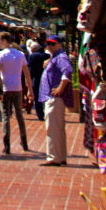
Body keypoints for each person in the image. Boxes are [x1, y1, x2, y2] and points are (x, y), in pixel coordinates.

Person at [0, 31, 33, 154]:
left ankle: (7, 145)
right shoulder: (20, 54)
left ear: (5, 41)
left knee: (5, 116)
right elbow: (27, 73)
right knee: (19, 116)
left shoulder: (0, 55)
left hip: (5, 88)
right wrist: (30, 90)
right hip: (17, 88)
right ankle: (24, 141)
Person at [38, 35, 74, 166]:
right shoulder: (55, 57)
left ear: (59, 45)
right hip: (52, 97)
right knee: (57, 128)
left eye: (52, 44)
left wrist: (60, 87)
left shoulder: (61, 57)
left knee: (52, 128)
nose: (49, 46)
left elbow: (68, 71)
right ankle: (60, 156)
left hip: (54, 97)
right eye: (48, 44)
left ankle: (53, 157)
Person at [27, 39, 47, 121]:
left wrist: (29, 80)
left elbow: (31, 70)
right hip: (45, 79)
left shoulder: (32, 56)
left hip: (36, 79)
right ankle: (45, 112)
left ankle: (40, 114)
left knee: (37, 98)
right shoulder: (46, 56)